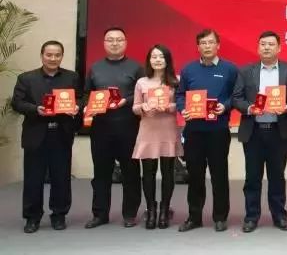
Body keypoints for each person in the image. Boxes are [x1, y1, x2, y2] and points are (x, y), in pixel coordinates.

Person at [231, 31, 287, 232]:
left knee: (277, 176)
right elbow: (236, 98)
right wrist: (249, 108)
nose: (267, 47)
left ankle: (279, 216)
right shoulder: (246, 71)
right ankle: (251, 217)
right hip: (253, 131)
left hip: (278, 131)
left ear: (279, 48)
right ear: (258, 47)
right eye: (263, 44)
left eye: (271, 44)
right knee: (252, 177)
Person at [12, 40, 81, 233]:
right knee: (33, 179)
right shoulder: (26, 78)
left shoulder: (72, 77)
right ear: (42, 55)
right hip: (35, 134)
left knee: (61, 177)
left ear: (62, 56)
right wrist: (36, 109)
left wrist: (77, 106)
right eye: (49, 55)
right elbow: (17, 103)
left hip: (61, 133)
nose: (53, 58)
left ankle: (59, 215)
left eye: (57, 55)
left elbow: (81, 98)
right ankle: (32, 217)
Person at [174, 29, 238, 232]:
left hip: (218, 130)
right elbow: (180, 95)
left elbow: (237, 95)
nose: (207, 46)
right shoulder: (188, 69)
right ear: (198, 47)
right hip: (194, 130)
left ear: (218, 45)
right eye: (203, 43)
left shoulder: (230, 69)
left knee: (219, 174)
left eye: (211, 42)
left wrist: (225, 106)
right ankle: (194, 217)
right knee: (195, 175)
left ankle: (220, 217)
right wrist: (183, 108)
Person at [83, 26, 144, 228]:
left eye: (119, 40)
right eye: (110, 40)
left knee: (131, 172)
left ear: (125, 43)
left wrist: (126, 101)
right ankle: (100, 214)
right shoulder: (95, 68)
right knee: (101, 173)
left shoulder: (136, 68)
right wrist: (88, 106)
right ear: (104, 43)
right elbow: (86, 94)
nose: (115, 43)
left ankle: (130, 213)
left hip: (129, 127)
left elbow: (143, 95)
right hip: (101, 128)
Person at [131, 44, 183, 230]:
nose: (158, 60)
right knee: (148, 172)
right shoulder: (142, 82)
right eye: (154, 57)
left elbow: (181, 104)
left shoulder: (176, 80)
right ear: (149, 60)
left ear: (167, 60)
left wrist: (168, 106)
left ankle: (164, 210)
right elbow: (135, 107)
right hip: (148, 130)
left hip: (168, 129)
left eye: (161, 57)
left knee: (168, 172)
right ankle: (151, 210)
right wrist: (143, 107)